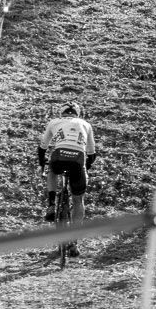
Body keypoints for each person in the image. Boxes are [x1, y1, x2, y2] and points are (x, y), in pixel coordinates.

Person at [37, 101, 97, 257]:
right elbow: (92, 154)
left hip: (59, 155)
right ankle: (74, 242)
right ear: (77, 114)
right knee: (78, 200)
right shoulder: (86, 124)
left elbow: (42, 147)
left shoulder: (54, 122)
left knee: (51, 169)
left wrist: (42, 164)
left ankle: (51, 203)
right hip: (78, 159)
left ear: (61, 113)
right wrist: (85, 168)